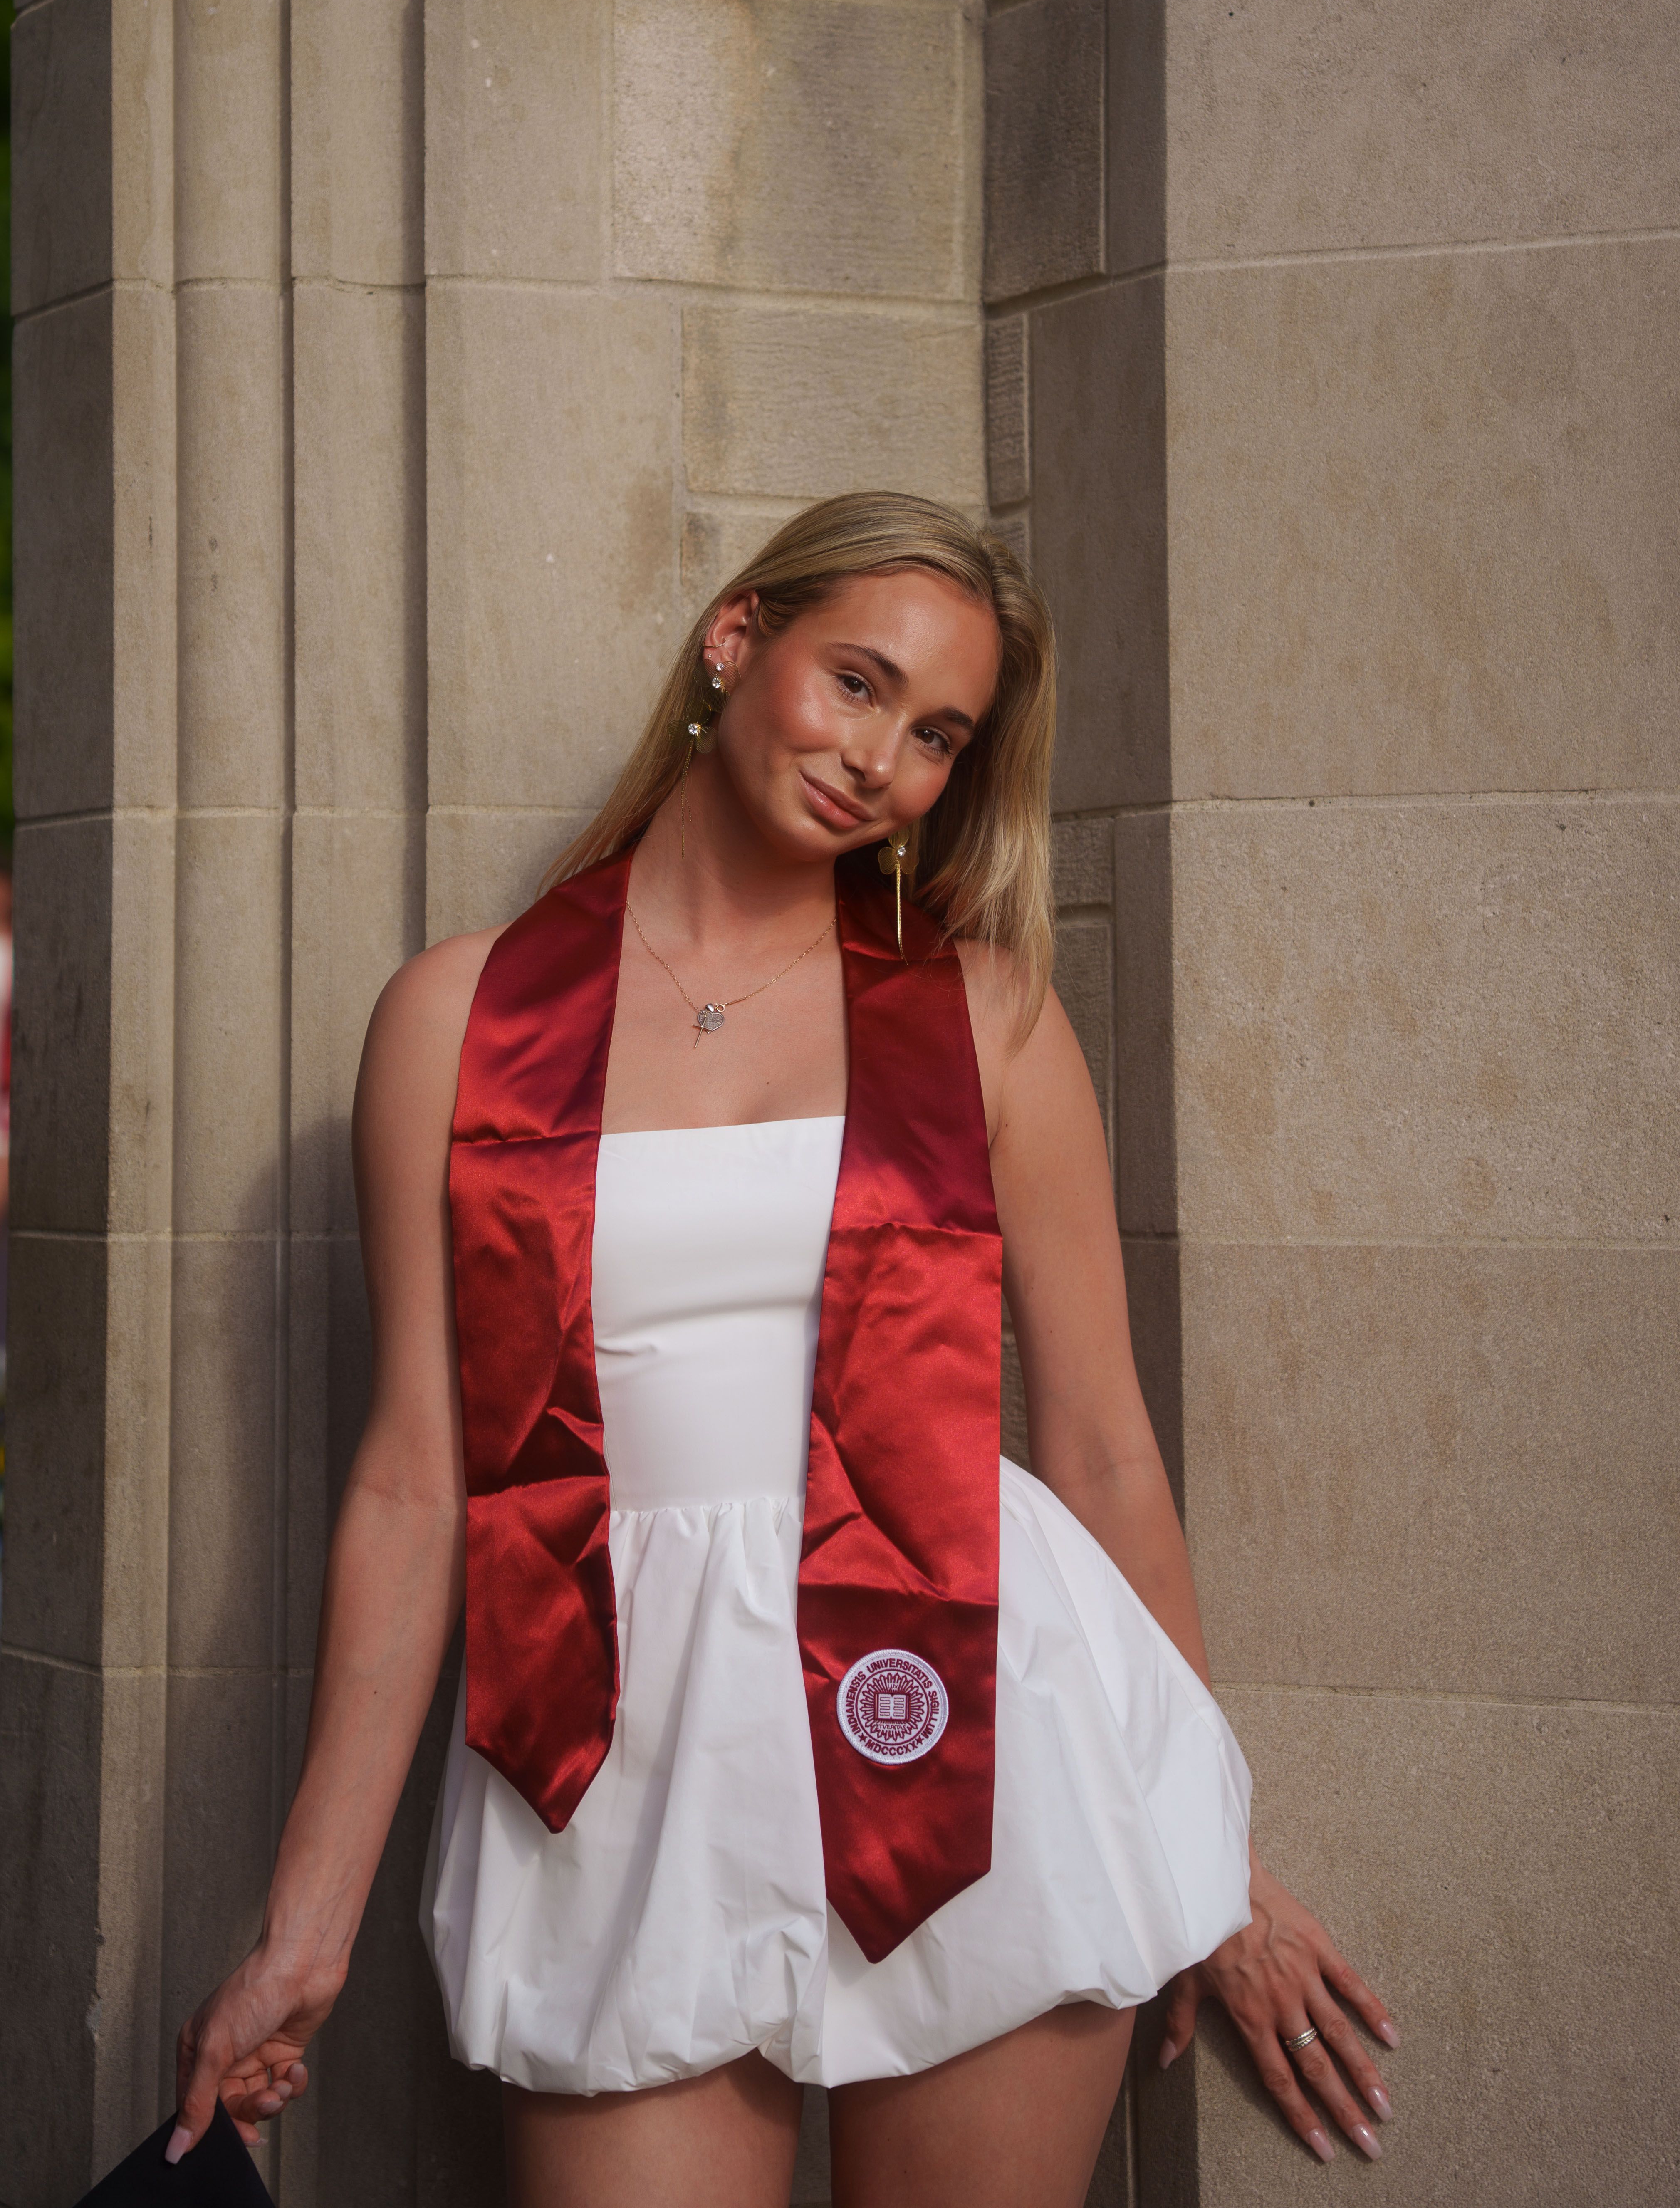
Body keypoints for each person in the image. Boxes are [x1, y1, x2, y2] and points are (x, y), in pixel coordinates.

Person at [168, 496, 1398, 2205]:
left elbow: (1102, 1447)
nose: (880, 757)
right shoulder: (461, 1019)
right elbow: (410, 1481)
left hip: (968, 1737)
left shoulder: (985, 1019)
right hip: (610, 1753)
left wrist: (1215, 1860)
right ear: (735, 644)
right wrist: (302, 1931)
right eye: (857, 682)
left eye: (936, 736)